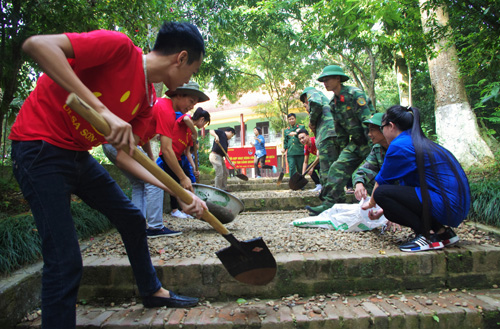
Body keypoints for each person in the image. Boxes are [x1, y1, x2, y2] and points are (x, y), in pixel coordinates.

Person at [9, 22, 208, 328]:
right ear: (180, 58)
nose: (188, 80)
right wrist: (103, 111)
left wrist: (181, 194)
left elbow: (129, 158)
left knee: (130, 217)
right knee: (64, 261)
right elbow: (37, 45)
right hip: (38, 148)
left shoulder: (145, 104)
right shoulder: (118, 49)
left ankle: (152, 289)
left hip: (76, 156)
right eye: (192, 72)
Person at [361, 105, 471, 252]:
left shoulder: (400, 145)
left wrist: (370, 204)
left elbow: (381, 183)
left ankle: (427, 236)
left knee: (381, 194)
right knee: (389, 211)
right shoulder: (416, 140)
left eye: (382, 128)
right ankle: (443, 232)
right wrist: (382, 211)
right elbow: (407, 191)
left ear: (391, 126)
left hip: (446, 204)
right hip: (455, 205)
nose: (382, 132)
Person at [306, 64, 374, 215]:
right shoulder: (333, 103)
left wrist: (375, 148)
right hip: (356, 143)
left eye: (328, 79)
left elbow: (367, 122)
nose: (325, 83)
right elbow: (340, 131)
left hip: (371, 140)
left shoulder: (355, 95)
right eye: (323, 80)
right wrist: (344, 152)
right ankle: (330, 204)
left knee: (374, 171)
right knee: (336, 168)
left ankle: (375, 204)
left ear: (338, 78)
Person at [153, 81, 209, 219]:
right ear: (178, 95)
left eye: (194, 104)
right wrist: (183, 177)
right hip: (125, 142)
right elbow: (166, 149)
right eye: (190, 101)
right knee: (152, 185)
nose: (191, 107)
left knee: (149, 184)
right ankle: (155, 225)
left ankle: (146, 225)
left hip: (134, 144)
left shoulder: (170, 112)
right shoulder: (167, 110)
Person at [299, 87, 345, 196]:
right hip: (335, 133)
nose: (306, 105)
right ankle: (336, 198)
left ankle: (330, 199)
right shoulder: (326, 101)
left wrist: (312, 121)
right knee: (335, 168)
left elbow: (315, 104)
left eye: (305, 103)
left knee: (326, 170)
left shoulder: (312, 93)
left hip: (328, 135)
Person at [353, 113, 389, 201]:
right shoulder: (377, 149)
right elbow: (364, 169)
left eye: (372, 130)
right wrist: (359, 183)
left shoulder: (399, 147)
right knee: (366, 180)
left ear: (383, 129)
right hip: (387, 189)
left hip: (404, 191)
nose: (369, 134)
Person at [282, 113, 305, 181]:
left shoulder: (301, 127)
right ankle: (293, 183)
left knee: (300, 168)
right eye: (289, 119)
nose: (291, 120)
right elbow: (286, 141)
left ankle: (301, 183)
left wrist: (296, 133)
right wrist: (284, 148)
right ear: (288, 120)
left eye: (292, 119)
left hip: (299, 151)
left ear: (295, 119)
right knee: (291, 168)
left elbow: (305, 134)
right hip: (290, 152)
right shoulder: (286, 130)